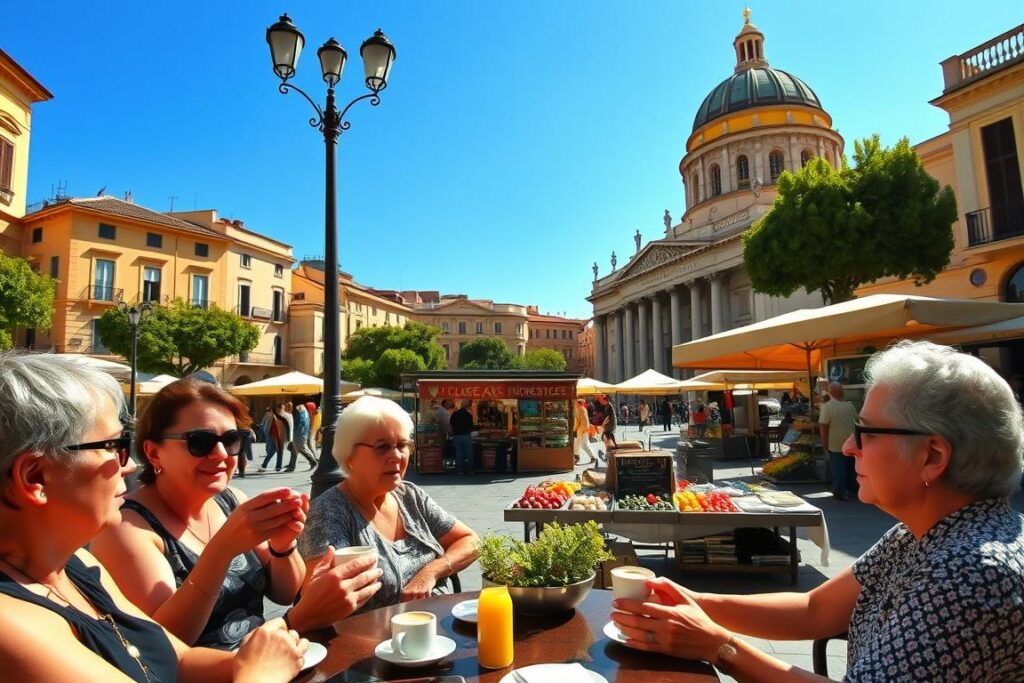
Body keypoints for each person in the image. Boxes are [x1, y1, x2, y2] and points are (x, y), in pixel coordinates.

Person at [611, 341, 1024, 681]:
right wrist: (691, 599)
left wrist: (719, 647)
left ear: (932, 455)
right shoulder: (922, 533)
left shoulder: (972, 573)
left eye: (866, 433)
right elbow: (816, 610)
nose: (848, 447)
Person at [0, 351, 307, 682]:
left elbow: (177, 657)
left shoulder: (76, 566)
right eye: (113, 446)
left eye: (232, 440)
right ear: (35, 478)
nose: (129, 465)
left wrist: (266, 655)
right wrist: (262, 673)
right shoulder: (12, 623)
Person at [92, 379, 381, 649]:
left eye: (231, 440)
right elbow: (166, 644)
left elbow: (284, 593)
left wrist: (284, 545)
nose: (220, 454)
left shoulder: (230, 501)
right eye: (200, 441)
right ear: (154, 453)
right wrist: (222, 550)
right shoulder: (127, 526)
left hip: (268, 665)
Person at [298, 396, 479, 612]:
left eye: (402, 445)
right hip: (374, 639)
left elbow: (470, 541)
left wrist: (431, 573)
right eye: (382, 447)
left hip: (437, 628)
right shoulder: (328, 513)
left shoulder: (408, 495)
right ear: (349, 457)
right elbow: (318, 600)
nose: (396, 456)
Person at [819, 382, 859, 501]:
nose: (843, 392)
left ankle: (840, 491)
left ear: (831, 392)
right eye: (842, 389)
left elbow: (823, 425)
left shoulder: (827, 407)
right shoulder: (850, 406)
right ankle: (852, 489)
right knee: (851, 468)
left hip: (835, 443)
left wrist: (824, 440)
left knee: (839, 468)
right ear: (838, 392)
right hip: (851, 442)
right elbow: (857, 423)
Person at [450, 400, 475, 476]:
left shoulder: (454, 414)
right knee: (469, 454)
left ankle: (459, 471)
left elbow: (451, 424)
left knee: (459, 454)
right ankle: (470, 471)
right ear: (467, 407)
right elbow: (471, 426)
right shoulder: (468, 415)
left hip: (456, 436)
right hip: (466, 435)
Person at [291, 403, 319, 470]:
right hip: (302, 434)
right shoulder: (305, 413)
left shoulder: (302, 414)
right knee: (299, 448)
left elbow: (301, 425)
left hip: (300, 434)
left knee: (302, 448)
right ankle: (292, 465)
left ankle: (313, 461)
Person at [259, 406, 282, 472]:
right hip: (275, 437)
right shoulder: (275, 417)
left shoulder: (273, 417)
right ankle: (275, 467)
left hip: (273, 436)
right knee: (275, 451)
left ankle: (264, 465)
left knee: (273, 451)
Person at [573, 399, 596, 465]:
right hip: (585, 429)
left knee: (580, 444)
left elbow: (577, 421)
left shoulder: (578, 409)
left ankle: (577, 457)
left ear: (578, 403)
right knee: (583, 443)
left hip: (581, 429)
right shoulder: (583, 409)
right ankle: (591, 457)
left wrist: (574, 430)